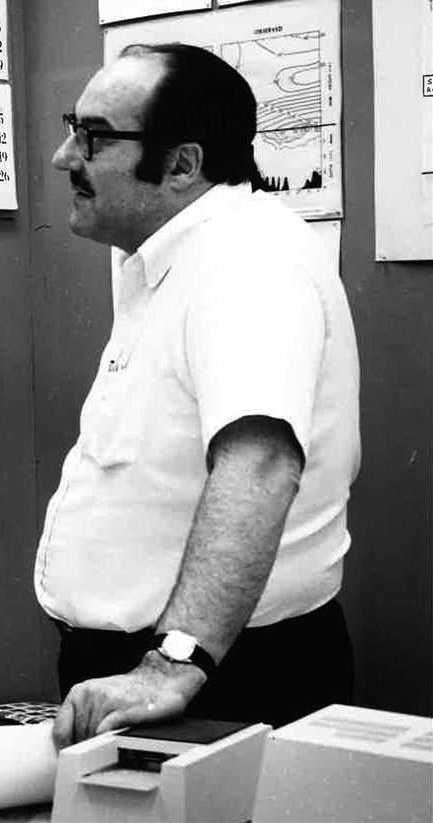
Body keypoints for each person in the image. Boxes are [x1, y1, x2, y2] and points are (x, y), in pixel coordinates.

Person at [35, 43, 360, 748]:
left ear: (182, 164)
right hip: (166, 671)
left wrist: (172, 664)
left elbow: (260, 465)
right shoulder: (176, 258)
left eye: (93, 137)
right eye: (73, 128)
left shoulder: (244, 262)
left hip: (211, 675)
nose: (65, 157)